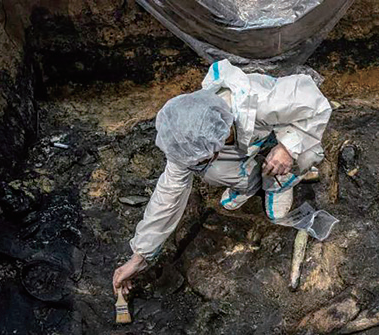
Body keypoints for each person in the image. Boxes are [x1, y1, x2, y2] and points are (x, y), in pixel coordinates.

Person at [112, 59, 332, 295]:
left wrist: (288, 148)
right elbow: (169, 194)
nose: (193, 166)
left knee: (306, 153)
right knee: (212, 171)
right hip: (242, 142)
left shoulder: (262, 102)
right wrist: (140, 256)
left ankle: (280, 183)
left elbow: (318, 106)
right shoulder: (188, 135)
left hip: (283, 127)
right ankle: (252, 183)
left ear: (216, 143)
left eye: (199, 159)